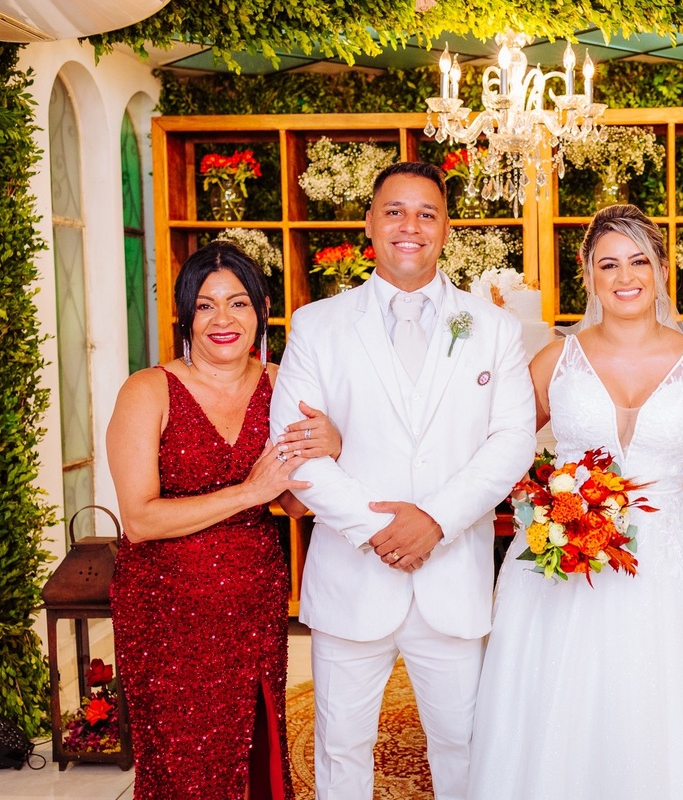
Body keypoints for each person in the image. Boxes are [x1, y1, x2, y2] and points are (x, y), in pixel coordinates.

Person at [467, 204, 683, 800]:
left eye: (639, 260)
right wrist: (544, 504)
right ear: (588, 275)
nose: (625, 276)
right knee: (560, 706)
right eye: (608, 264)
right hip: (561, 569)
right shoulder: (556, 361)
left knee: (664, 708)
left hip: (669, 564)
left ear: (662, 268)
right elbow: (500, 453)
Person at [269, 161, 537, 800]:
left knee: (464, 747)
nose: (409, 226)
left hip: (452, 580)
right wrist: (383, 529)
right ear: (369, 224)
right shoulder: (317, 325)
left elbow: (512, 442)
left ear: (446, 228)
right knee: (340, 749)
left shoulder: (494, 328)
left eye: (426, 213)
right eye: (394, 211)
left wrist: (435, 522)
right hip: (352, 577)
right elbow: (298, 454)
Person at [108, 241, 339, 799]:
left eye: (237, 303)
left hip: (253, 601)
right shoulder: (148, 390)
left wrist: (330, 447)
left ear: (261, 309)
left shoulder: (282, 384)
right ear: (186, 315)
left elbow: (298, 504)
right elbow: (138, 519)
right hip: (165, 607)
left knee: (253, 745)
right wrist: (248, 492)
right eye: (206, 305)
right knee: (182, 754)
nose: (223, 319)